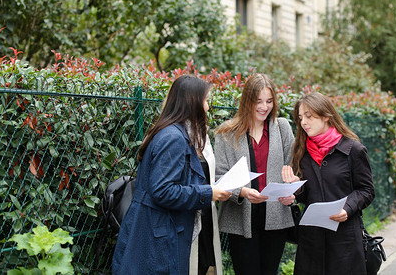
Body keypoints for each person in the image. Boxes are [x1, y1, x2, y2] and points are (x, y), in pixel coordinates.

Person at [112, 75, 231, 275]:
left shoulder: (171, 132)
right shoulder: (173, 138)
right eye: (205, 100)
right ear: (192, 102)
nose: (208, 107)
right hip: (159, 237)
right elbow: (163, 190)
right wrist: (207, 193)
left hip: (156, 232)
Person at [214, 73, 297, 275]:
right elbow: (219, 177)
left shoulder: (283, 128)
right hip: (241, 219)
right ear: (247, 101)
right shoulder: (227, 132)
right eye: (258, 101)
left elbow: (293, 167)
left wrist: (292, 188)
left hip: (276, 217)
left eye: (269, 101)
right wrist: (242, 191)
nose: (264, 107)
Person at [291, 91, 375, 275]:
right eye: (300, 117)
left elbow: (367, 190)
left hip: (345, 241)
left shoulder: (354, 150)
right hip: (311, 242)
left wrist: (347, 208)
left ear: (326, 116)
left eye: (309, 116)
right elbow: (305, 195)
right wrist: (295, 189)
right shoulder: (301, 152)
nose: (303, 122)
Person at [189, 134, 223, 275]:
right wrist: (207, 193)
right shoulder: (172, 135)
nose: (208, 109)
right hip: (186, 223)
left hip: (207, 221)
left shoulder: (203, 135)